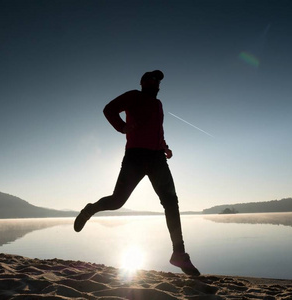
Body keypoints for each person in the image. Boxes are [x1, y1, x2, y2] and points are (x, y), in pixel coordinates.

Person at [74, 70, 200, 276]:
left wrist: (164, 146)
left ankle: (179, 253)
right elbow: (109, 109)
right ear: (143, 83)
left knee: (171, 201)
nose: (156, 84)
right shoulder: (133, 96)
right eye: (152, 80)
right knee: (117, 201)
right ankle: (90, 209)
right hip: (135, 157)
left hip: (158, 158)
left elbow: (156, 129)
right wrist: (122, 127)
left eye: (158, 81)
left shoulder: (158, 105)